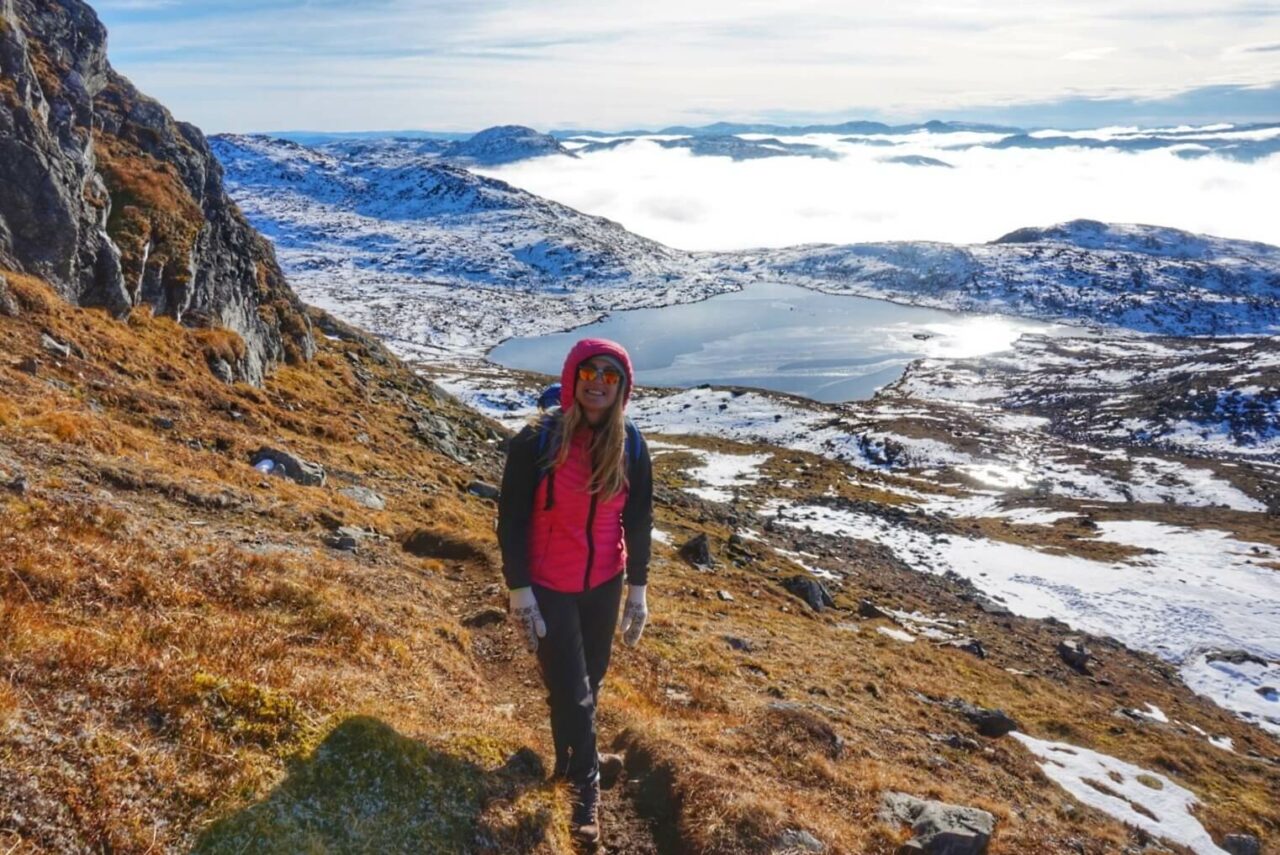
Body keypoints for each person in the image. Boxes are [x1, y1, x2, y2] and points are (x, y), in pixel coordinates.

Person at [497, 338, 653, 848]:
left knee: (588, 683)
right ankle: (586, 794)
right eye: (590, 371)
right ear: (572, 376)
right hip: (548, 585)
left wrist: (638, 589)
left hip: (604, 582)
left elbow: (639, 518)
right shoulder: (537, 440)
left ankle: (570, 761)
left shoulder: (630, 443)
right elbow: (512, 520)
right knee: (574, 690)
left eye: (611, 375)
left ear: (623, 387)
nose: (599, 382)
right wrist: (520, 591)